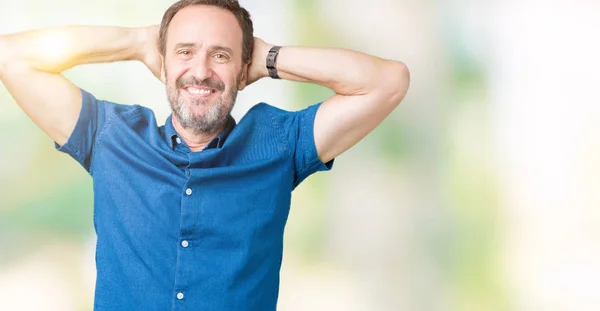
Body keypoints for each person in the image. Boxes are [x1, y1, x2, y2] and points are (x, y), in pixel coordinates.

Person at [0, 0, 409, 310]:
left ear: (242, 69)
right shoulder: (110, 136)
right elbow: (10, 56)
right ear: (162, 65)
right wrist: (137, 41)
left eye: (221, 55)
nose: (200, 71)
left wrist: (268, 57)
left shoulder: (279, 144)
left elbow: (388, 81)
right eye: (184, 52)